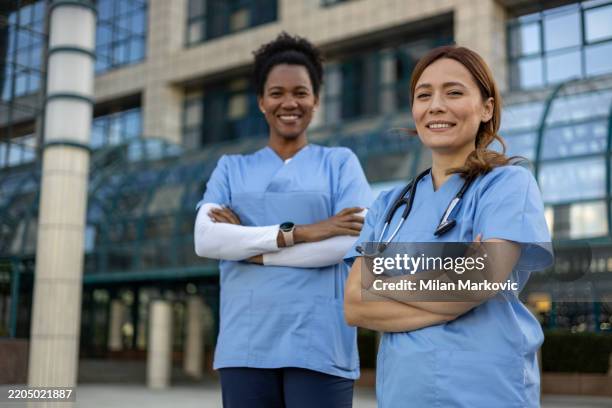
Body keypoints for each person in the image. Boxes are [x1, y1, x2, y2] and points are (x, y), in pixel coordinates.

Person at [343, 45, 553, 407]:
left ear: (487, 108)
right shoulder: (388, 205)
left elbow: (482, 278)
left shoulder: (507, 184)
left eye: (454, 92)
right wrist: (456, 292)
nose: (436, 105)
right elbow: (354, 305)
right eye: (424, 95)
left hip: (488, 394)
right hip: (402, 396)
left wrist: (382, 284)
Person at [194, 32, 373, 408]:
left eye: (300, 92)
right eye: (276, 93)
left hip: (321, 342)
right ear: (261, 102)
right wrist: (304, 231)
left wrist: (251, 249)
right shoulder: (231, 168)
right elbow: (207, 239)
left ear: (316, 100)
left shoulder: (340, 163)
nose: (289, 102)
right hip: (246, 344)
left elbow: (351, 242)